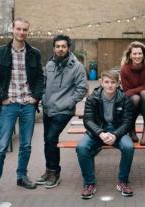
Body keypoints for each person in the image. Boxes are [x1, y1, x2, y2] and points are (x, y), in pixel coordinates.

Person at [0, 17, 44, 198]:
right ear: (12, 29)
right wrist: (2, 98)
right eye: (18, 29)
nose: (21, 32)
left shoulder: (34, 53)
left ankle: (22, 176)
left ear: (27, 31)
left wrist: (36, 97)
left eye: (25, 29)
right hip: (9, 105)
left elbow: (40, 78)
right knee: (1, 146)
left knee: (25, 145)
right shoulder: (0, 52)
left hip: (27, 105)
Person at [35, 35, 88, 189]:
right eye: (57, 46)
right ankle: (49, 170)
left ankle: (54, 173)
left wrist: (69, 102)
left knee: (51, 138)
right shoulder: (50, 64)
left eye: (63, 46)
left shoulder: (76, 66)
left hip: (63, 110)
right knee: (48, 140)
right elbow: (43, 83)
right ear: (54, 48)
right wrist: (44, 98)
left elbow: (82, 88)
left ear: (68, 48)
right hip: (48, 108)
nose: (60, 49)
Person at [76, 70, 134, 199]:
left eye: (113, 82)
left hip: (117, 131)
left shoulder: (124, 98)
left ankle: (123, 181)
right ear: (101, 83)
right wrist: (100, 133)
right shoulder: (93, 98)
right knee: (81, 148)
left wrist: (115, 135)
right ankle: (89, 184)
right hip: (97, 131)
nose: (110, 85)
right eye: (106, 82)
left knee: (129, 147)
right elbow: (88, 120)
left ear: (118, 84)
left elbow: (127, 122)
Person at [120, 41, 145, 145]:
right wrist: (137, 91)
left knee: (144, 93)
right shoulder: (125, 69)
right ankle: (131, 128)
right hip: (133, 103)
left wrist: (135, 91)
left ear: (143, 54)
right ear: (130, 55)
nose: (137, 56)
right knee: (136, 98)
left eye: (139, 53)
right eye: (134, 53)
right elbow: (126, 91)